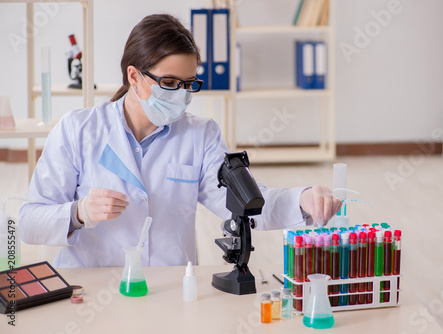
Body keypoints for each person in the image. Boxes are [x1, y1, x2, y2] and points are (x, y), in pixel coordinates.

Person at [19, 14, 341, 268]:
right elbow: (29, 222)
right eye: (169, 82)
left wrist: (303, 198)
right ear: (134, 77)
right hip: (92, 283)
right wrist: (79, 212)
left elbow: (244, 203)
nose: (180, 95)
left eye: (188, 84)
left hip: (169, 285)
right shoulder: (78, 129)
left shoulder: (201, 135)